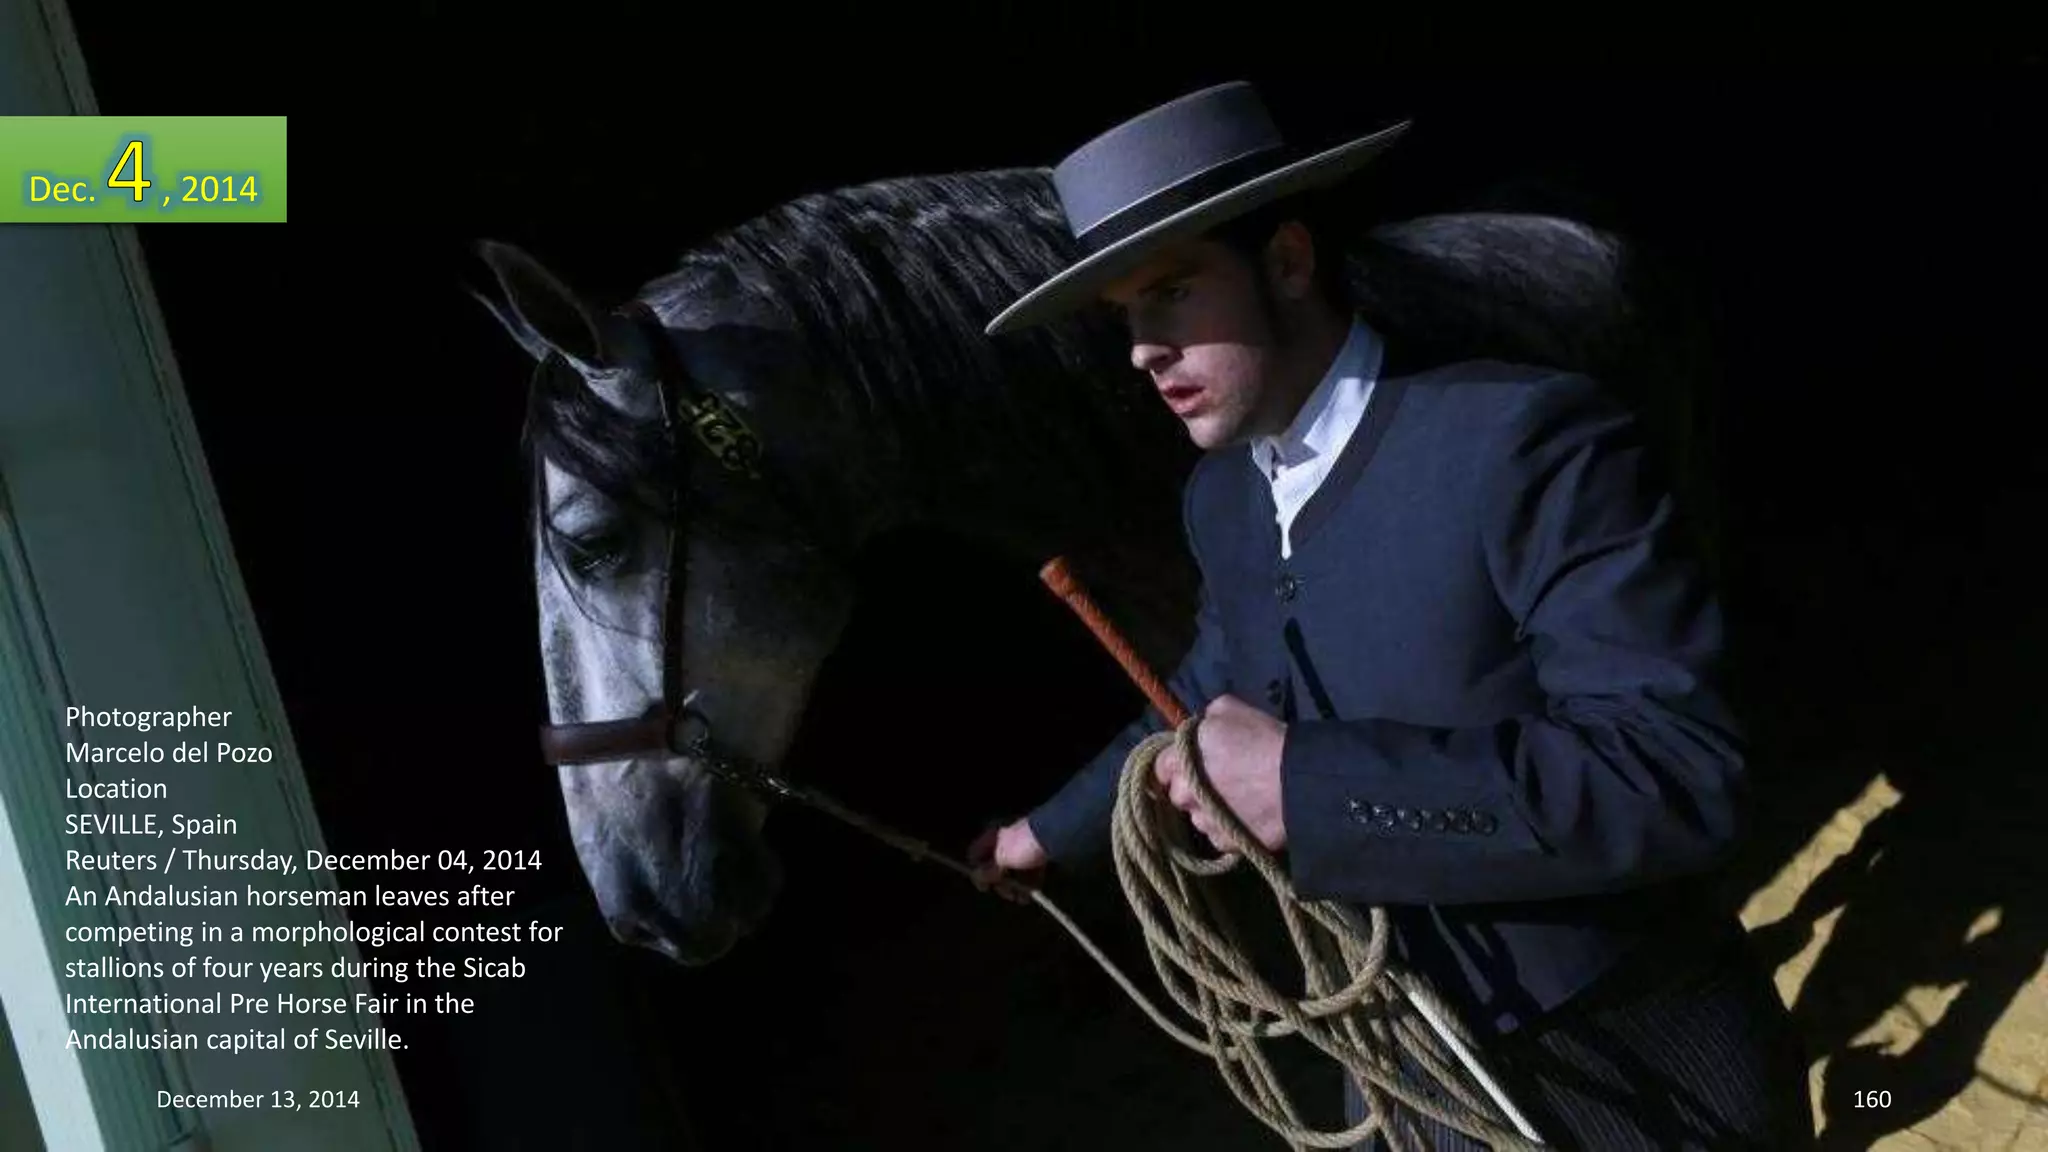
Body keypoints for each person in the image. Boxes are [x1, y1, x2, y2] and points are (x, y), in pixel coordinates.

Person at [965, 81, 1813, 1150]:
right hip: (1394, 1070)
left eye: (1172, 292)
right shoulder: (1220, 496)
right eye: (1126, 315)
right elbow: (1201, 693)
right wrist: (1049, 832)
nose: (1142, 349)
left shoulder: (1522, 443)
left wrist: (1306, 788)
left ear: (1284, 261)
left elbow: (1673, 774)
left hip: (1632, 1074)